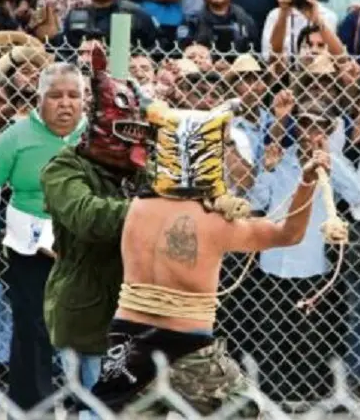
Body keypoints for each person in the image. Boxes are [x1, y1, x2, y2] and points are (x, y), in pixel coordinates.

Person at [84, 93, 339, 414]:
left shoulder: (137, 208)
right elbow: (290, 233)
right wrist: (307, 180)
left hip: (126, 342)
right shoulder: (214, 222)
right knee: (252, 413)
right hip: (188, 349)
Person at [0, 62, 87, 414]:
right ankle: (31, 409)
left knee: (86, 331)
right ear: (39, 99)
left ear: (85, 100)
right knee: (32, 329)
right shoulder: (15, 136)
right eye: (55, 96)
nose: (65, 103)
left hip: (85, 249)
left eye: (74, 95)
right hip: (30, 249)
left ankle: (86, 407)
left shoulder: (97, 137)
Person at [39, 47, 149, 420]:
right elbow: (88, 217)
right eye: (122, 133)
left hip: (136, 312)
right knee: (94, 408)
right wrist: (151, 212)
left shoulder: (139, 172)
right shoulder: (64, 168)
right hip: (86, 311)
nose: (129, 145)